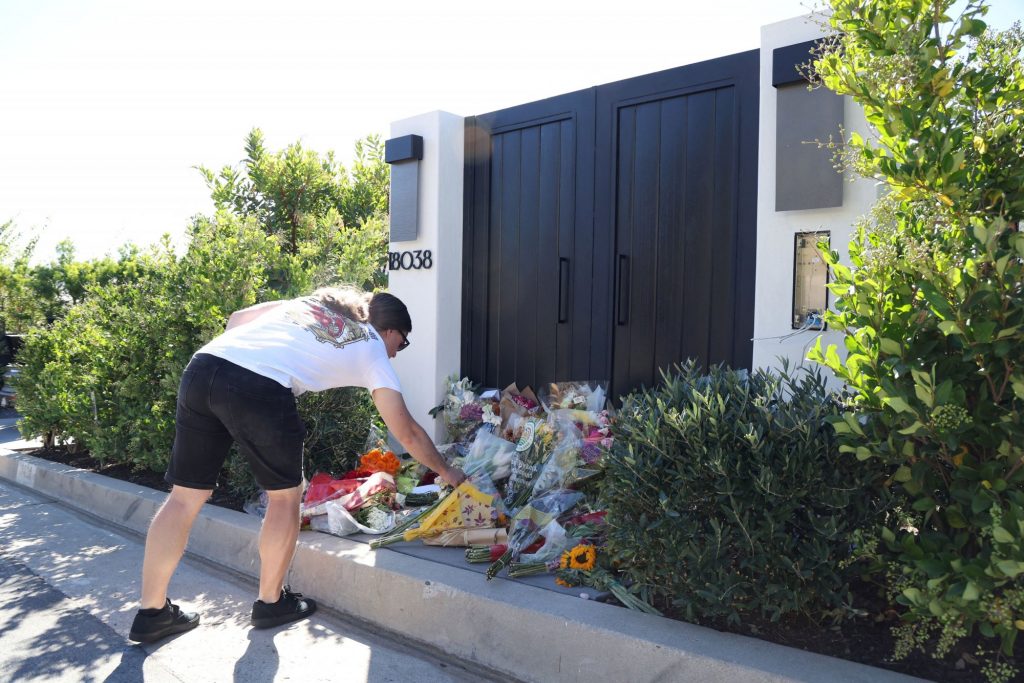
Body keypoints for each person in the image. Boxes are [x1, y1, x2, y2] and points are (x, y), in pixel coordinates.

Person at [128, 287, 465, 643]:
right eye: (402, 343)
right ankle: (271, 602)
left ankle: (152, 614)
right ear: (391, 330)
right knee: (285, 497)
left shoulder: (313, 305)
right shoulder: (371, 347)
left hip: (203, 367)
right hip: (260, 384)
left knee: (184, 497)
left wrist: (236, 372)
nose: (396, 352)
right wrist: (448, 472)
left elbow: (237, 319)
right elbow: (408, 432)